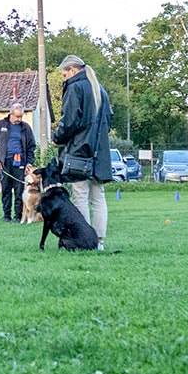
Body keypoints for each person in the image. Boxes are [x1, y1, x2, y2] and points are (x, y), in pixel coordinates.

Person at [51, 54, 114, 250]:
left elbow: (69, 121)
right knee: (98, 197)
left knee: (80, 196)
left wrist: (57, 138)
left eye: (64, 74)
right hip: (99, 151)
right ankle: (99, 241)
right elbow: (109, 119)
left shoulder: (74, 88)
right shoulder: (99, 89)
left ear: (72, 70)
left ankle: (84, 240)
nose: (64, 78)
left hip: (79, 151)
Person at [0, 101, 36, 223]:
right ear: (11, 114)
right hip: (4, 162)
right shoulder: (0, 125)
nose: (19, 119)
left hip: (20, 162)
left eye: (21, 116)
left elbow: (31, 146)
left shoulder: (25, 128)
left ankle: (18, 216)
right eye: (17, 116)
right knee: (6, 189)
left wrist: (29, 163)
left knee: (19, 189)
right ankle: (6, 215)